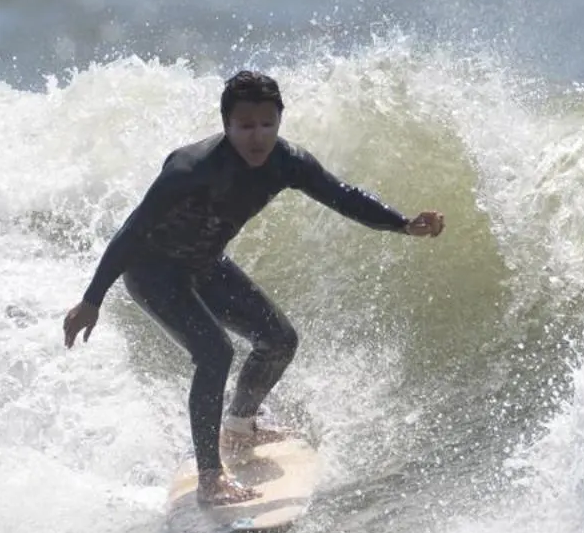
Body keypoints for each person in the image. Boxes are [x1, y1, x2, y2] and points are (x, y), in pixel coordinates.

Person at [63, 70, 446, 505]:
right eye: (245, 126)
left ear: (280, 120)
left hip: (206, 265)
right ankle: (211, 478)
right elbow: (132, 232)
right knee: (215, 352)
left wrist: (402, 223)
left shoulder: (287, 162)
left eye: (267, 124)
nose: (257, 136)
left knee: (279, 340)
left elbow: (342, 195)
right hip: (153, 272)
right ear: (226, 125)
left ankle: (240, 428)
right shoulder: (191, 168)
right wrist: (92, 299)